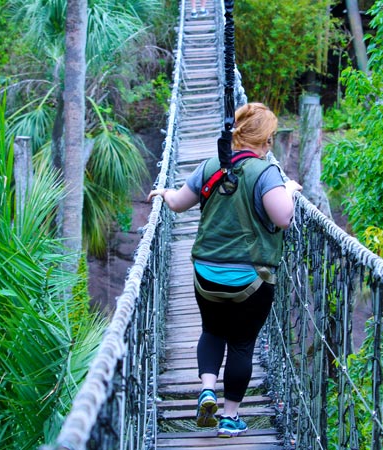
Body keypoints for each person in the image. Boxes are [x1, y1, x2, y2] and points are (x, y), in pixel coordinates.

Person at [148, 103, 302, 438]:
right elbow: (283, 218)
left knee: (212, 331)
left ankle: (206, 389)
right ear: (265, 140)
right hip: (251, 279)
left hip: (205, 275)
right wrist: (288, 190)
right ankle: (230, 417)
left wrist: (164, 192)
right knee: (242, 344)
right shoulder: (266, 173)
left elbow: (177, 203)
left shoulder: (210, 166)